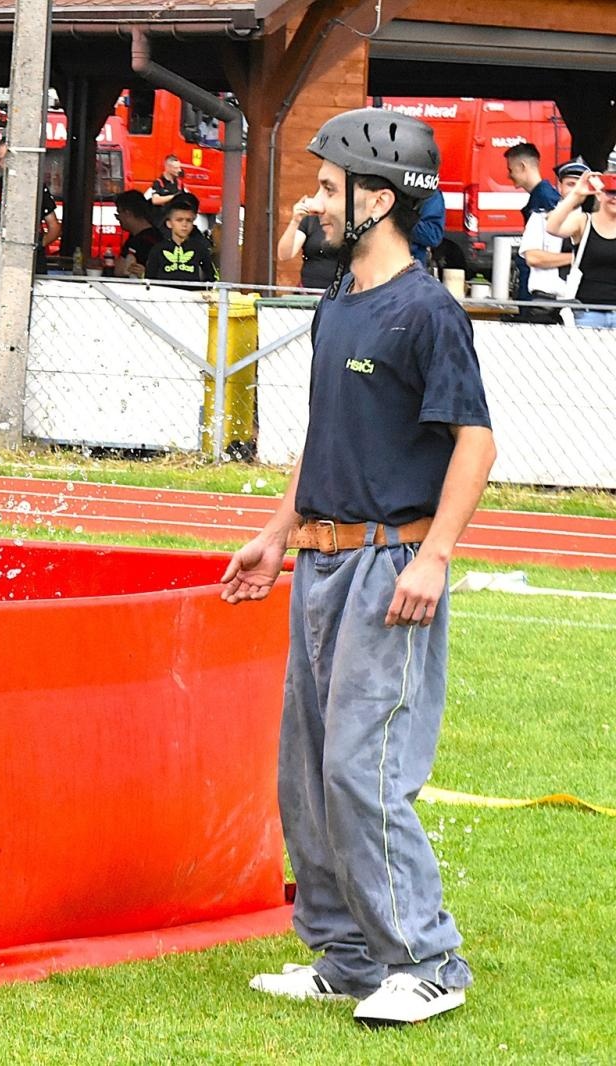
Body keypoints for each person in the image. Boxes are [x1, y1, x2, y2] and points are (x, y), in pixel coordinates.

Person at [223, 107, 493, 1028]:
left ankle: (427, 961)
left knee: (363, 769)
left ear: (379, 200)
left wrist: (436, 556)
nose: (316, 204)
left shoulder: (427, 312)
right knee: (305, 770)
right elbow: (324, 437)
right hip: (322, 564)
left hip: (392, 570)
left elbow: (476, 443)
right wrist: (277, 528)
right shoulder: (338, 305)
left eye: (331, 190)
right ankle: (344, 955)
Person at [0, 139, 61, 273]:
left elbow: (55, 228)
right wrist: (8, 243)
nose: (9, 163)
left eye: (11, 157)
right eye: (3, 159)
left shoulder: (38, 190)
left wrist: (37, 245)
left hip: (34, 268)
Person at [515, 159, 587, 322]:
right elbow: (533, 258)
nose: (575, 190)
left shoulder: (592, 221)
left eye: (579, 185)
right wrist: (576, 258)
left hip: (580, 306)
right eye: (570, 184)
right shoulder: (540, 217)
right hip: (544, 304)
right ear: (559, 187)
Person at [545, 166, 616, 329]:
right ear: (599, 193)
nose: (614, 198)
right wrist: (577, 194)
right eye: (610, 192)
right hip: (587, 312)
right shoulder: (583, 222)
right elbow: (552, 227)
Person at [504, 142, 560, 300]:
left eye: (510, 170)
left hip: (538, 282)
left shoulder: (546, 198)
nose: (509, 175)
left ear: (522, 166)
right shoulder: (543, 195)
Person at [143, 192, 218, 283]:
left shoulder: (200, 249)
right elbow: (149, 279)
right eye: (179, 220)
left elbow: (211, 278)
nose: (184, 224)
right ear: (169, 223)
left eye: (188, 220)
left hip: (192, 295)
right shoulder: (157, 249)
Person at [276, 193, 337, 290]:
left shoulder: (350, 222)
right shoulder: (310, 221)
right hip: (309, 292)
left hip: (342, 296)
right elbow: (284, 255)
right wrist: (295, 221)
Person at [111, 190, 161, 279]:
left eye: (118, 214)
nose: (118, 219)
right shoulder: (158, 236)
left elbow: (119, 270)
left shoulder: (137, 241)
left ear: (128, 213)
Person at [147, 154, 184, 223]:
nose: (179, 170)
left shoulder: (179, 183)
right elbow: (155, 200)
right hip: (160, 220)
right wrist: (174, 197)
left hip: (174, 221)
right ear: (168, 167)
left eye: (179, 168)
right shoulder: (158, 182)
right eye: (176, 168)